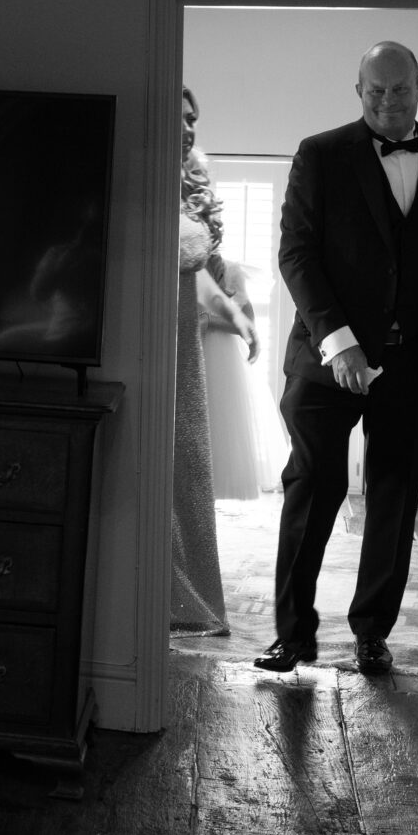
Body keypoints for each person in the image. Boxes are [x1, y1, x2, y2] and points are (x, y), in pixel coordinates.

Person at [257, 43, 418, 677]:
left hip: (416, 358)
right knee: (313, 489)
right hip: (327, 360)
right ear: (358, 91)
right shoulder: (321, 153)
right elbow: (296, 254)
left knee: (396, 498)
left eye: (400, 89)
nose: (388, 102)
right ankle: (293, 634)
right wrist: (339, 340)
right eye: (375, 91)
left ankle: (373, 632)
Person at [167, 89, 229, 635]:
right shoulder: (143, 182)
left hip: (187, 348)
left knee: (189, 466)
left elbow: (202, 277)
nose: (188, 127)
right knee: (162, 465)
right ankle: (165, 593)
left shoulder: (190, 186)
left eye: (193, 119)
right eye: (179, 117)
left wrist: (236, 313)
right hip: (155, 343)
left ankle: (196, 592)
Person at [198, 252, 261, 502]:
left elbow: (248, 323)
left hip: (221, 360)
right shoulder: (181, 266)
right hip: (189, 352)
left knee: (218, 428)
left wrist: (209, 321)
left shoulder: (231, 271)